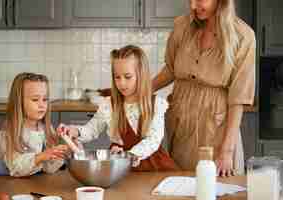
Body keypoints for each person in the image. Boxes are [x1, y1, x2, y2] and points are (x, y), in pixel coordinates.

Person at [152, 0, 255, 176]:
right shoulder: (181, 26)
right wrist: (139, 90)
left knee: (218, 188)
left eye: (200, 0)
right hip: (181, 122)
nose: (193, 6)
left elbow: (238, 97)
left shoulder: (243, 36)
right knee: (181, 186)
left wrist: (227, 151)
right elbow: (170, 69)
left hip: (217, 128)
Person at [57, 45, 178, 171]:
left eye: (128, 77)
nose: (122, 83)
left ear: (141, 75)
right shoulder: (108, 105)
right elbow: (91, 129)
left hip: (153, 166)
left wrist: (130, 155)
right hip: (119, 165)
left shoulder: (156, 104)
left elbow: (153, 139)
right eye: (117, 77)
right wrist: (74, 131)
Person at [0, 72, 69, 177]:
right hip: (6, 184)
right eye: (35, 99)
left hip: (33, 184)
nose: (42, 105)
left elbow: (49, 169)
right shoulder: (8, 131)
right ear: (19, 102)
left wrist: (62, 150)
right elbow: (16, 168)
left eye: (45, 99)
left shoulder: (46, 129)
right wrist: (41, 156)